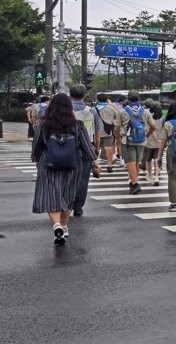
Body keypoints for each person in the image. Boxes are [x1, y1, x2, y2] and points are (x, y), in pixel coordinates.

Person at [31, 93, 99, 245]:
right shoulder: (78, 125)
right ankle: (64, 226)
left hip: (48, 165)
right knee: (67, 197)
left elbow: (37, 146)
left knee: (51, 196)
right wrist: (94, 162)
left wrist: (36, 160)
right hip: (72, 166)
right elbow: (88, 149)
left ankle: (56, 226)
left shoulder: (43, 124)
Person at [69, 85, 100, 216]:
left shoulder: (65, 110)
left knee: (68, 177)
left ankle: (67, 204)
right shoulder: (91, 111)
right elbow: (97, 132)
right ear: (84, 96)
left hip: (67, 147)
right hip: (87, 148)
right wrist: (96, 148)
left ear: (70, 95)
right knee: (83, 178)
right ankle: (78, 207)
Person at [119, 91, 157, 195]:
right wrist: (146, 136)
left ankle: (135, 184)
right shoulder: (145, 112)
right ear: (139, 98)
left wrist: (118, 138)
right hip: (141, 141)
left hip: (127, 141)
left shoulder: (123, 111)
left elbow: (116, 128)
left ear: (128, 98)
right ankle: (134, 181)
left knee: (130, 162)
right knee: (136, 162)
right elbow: (154, 127)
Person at [95, 93, 120, 172]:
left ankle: (96, 165)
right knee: (108, 146)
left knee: (96, 148)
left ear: (97, 100)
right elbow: (118, 117)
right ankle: (109, 165)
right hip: (108, 130)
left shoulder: (94, 108)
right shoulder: (111, 107)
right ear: (106, 99)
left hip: (97, 131)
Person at [144, 100, 164, 186]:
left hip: (149, 141)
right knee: (157, 159)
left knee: (148, 160)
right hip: (159, 142)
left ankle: (149, 175)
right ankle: (156, 176)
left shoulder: (148, 116)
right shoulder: (163, 118)